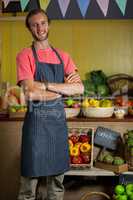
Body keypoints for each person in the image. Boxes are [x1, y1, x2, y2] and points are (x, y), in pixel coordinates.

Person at [16, 9, 84, 200]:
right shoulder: (25, 55)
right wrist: (62, 89)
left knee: (56, 185)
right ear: (29, 28)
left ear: (49, 24)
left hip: (57, 127)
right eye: (34, 24)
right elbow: (30, 93)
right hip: (35, 128)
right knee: (28, 186)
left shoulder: (63, 56)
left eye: (43, 23)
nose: (40, 28)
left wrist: (45, 85)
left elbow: (79, 88)